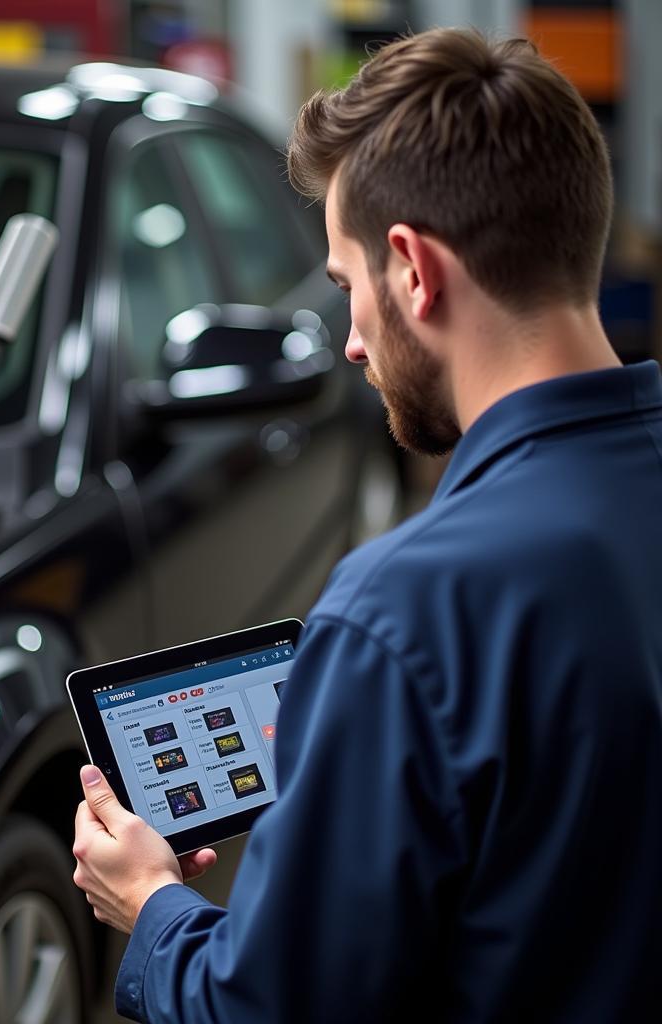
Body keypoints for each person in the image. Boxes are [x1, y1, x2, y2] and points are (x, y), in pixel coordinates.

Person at [72, 27, 662, 1022]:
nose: (348, 342)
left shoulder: (405, 610)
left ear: (412, 270)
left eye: (347, 287)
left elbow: (275, 1004)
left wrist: (152, 903)